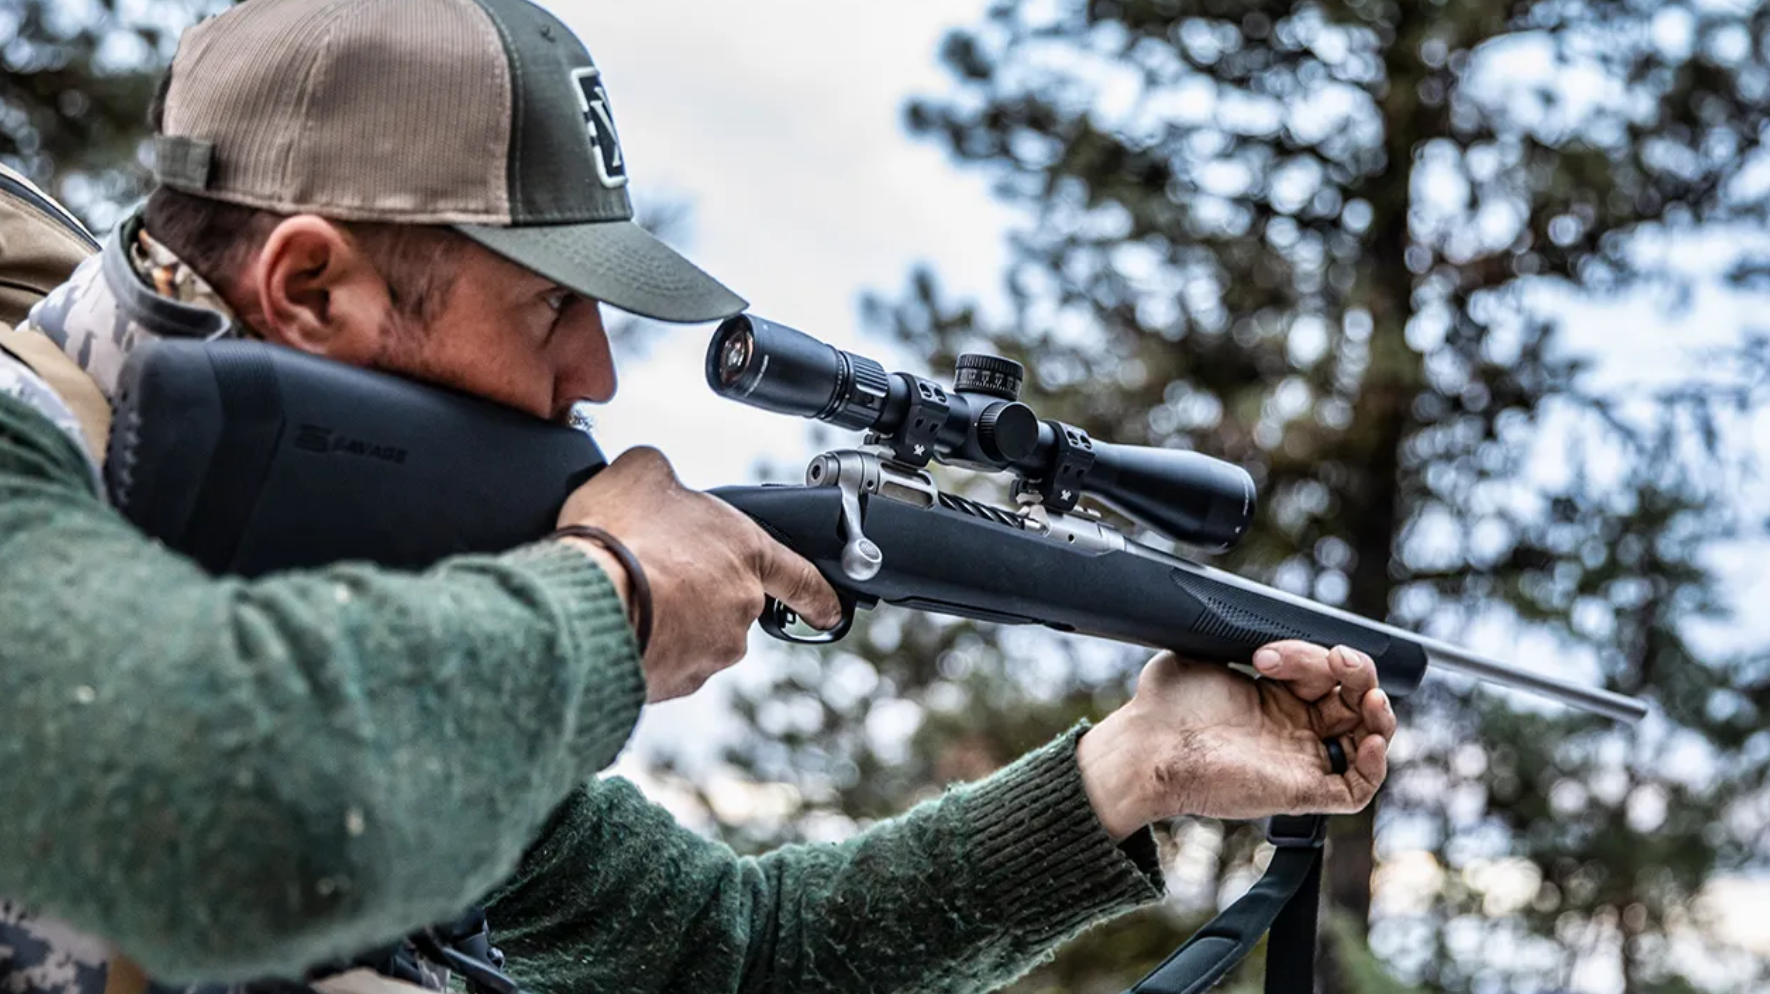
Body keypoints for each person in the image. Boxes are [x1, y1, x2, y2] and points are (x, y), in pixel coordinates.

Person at [0, 1, 1398, 993]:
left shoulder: (342, 584)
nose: (597, 369)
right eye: (550, 305)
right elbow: (218, 809)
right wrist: (607, 595)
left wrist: (1131, 772)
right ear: (309, 287)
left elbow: (722, 952)